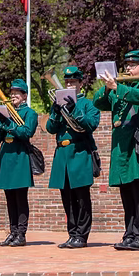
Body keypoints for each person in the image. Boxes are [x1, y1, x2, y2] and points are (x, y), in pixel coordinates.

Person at [93, 50, 139, 251]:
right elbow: (99, 103)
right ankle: (130, 234)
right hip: (123, 149)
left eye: (133, 65)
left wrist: (118, 87)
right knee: (127, 195)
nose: (128, 68)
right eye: (126, 65)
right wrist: (108, 89)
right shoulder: (120, 88)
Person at [45, 66, 100, 249]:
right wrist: (55, 111)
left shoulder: (87, 104)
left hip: (79, 153)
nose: (69, 84)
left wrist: (74, 108)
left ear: (80, 83)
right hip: (62, 156)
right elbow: (50, 128)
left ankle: (82, 236)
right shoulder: (59, 104)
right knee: (67, 199)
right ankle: (72, 234)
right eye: (67, 82)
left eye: (73, 82)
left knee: (82, 198)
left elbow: (90, 125)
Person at [0, 79, 38, 247]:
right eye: (11, 93)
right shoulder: (7, 113)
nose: (12, 96)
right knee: (9, 198)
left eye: (16, 93)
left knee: (20, 198)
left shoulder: (30, 113)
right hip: (6, 158)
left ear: (24, 95)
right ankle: (12, 232)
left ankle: (21, 233)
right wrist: (0, 123)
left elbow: (26, 132)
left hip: (20, 157)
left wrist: (8, 123)